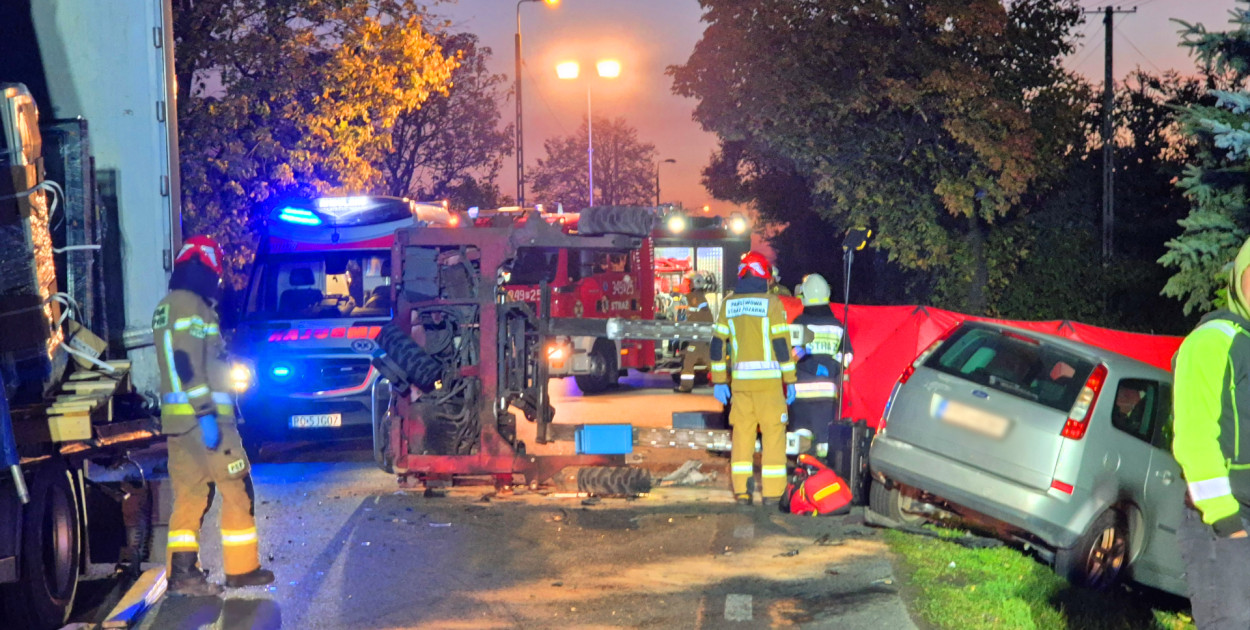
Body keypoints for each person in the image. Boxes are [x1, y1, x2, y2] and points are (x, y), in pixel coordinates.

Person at [154, 235, 273, 596]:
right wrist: (206, 414)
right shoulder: (192, 306)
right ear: (207, 267)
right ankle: (241, 569)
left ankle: (183, 575)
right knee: (238, 488)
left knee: (189, 497)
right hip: (206, 423)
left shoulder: (167, 305)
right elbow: (186, 361)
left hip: (178, 424)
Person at [1172, 236, 1250, 629]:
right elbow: (1194, 437)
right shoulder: (1212, 341)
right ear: (1239, 279)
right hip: (1225, 526)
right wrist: (1227, 522)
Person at [711, 252, 797, 506]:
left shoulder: (729, 304)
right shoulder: (771, 304)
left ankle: (743, 493)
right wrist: (790, 379)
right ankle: (772, 495)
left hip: (740, 387)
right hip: (770, 387)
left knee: (742, 439)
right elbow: (781, 344)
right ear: (763, 276)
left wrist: (718, 381)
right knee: (773, 438)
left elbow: (717, 344)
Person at [789, 273, 852, 457]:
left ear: (805, 297)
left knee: (800, 439)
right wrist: (831, 366)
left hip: (800, 394)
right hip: (827, 395)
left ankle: (801, 474)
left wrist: (809, 364)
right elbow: (848, 355)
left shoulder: (799, 324)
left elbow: (791, 355)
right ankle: (822, 476)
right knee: (824, 443)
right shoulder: (837, 326)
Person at [675, 272, 716, 393]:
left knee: (689, 360)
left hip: (698, 336)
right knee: (708, 360)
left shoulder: (695, 297)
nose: (687, 285)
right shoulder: (698, 297)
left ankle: (686, 386)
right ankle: (723, 381)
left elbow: (697, 314)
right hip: (701, 336)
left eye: (689, 282)